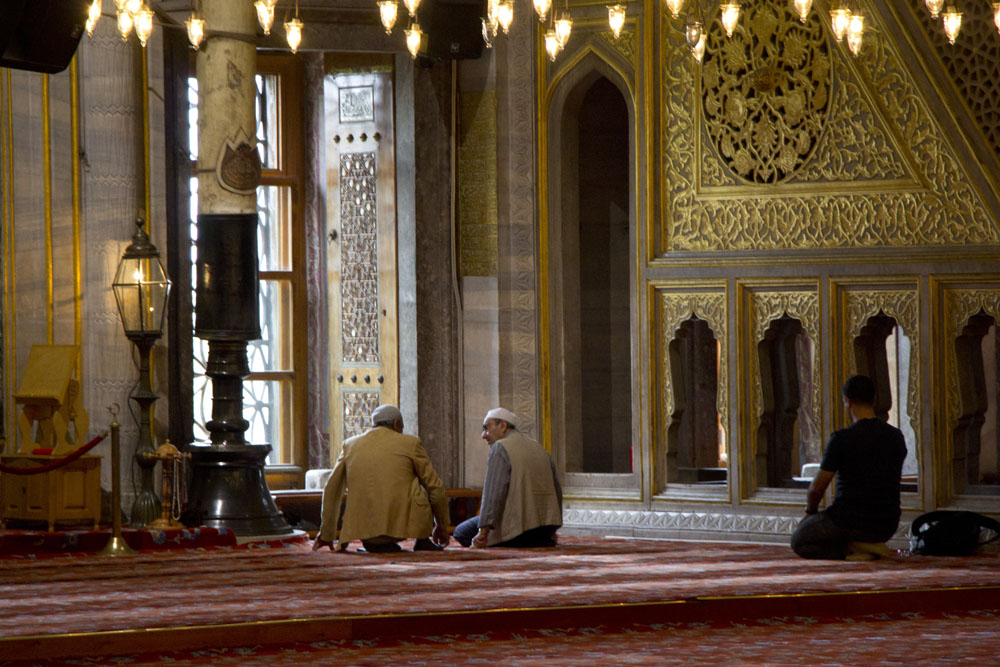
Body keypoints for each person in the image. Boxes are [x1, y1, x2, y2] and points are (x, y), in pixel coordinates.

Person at [790, 375, 907, 561]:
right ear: (874, 400)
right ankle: (865, 546)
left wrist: (810, 512)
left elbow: (817, 488)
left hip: (847, 520)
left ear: (847, 401)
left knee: (799, 541)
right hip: (887, 524)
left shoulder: (842, 438)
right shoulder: (896, 437)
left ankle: (851, 551)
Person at [312, 404, 450, 553]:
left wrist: (326, 533)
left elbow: (331, 490)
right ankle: (422, 540)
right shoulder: (411, 444)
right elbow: (436, 489)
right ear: (397, 424)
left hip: (364, 529)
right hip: (405, 528)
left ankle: (376, 544)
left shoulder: (350, 445)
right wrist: (442, 526)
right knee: (422, 485)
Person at [453, 408, 563, 548]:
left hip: (519, 530)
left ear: (503, 426)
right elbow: (557, 492)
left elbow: (493, 494)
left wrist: (483, 532)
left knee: (461, 532)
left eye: (487, 428)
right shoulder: (539, 447)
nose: (483, 435)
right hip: (545, 531)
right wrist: (553, 529)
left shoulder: (500, 447)